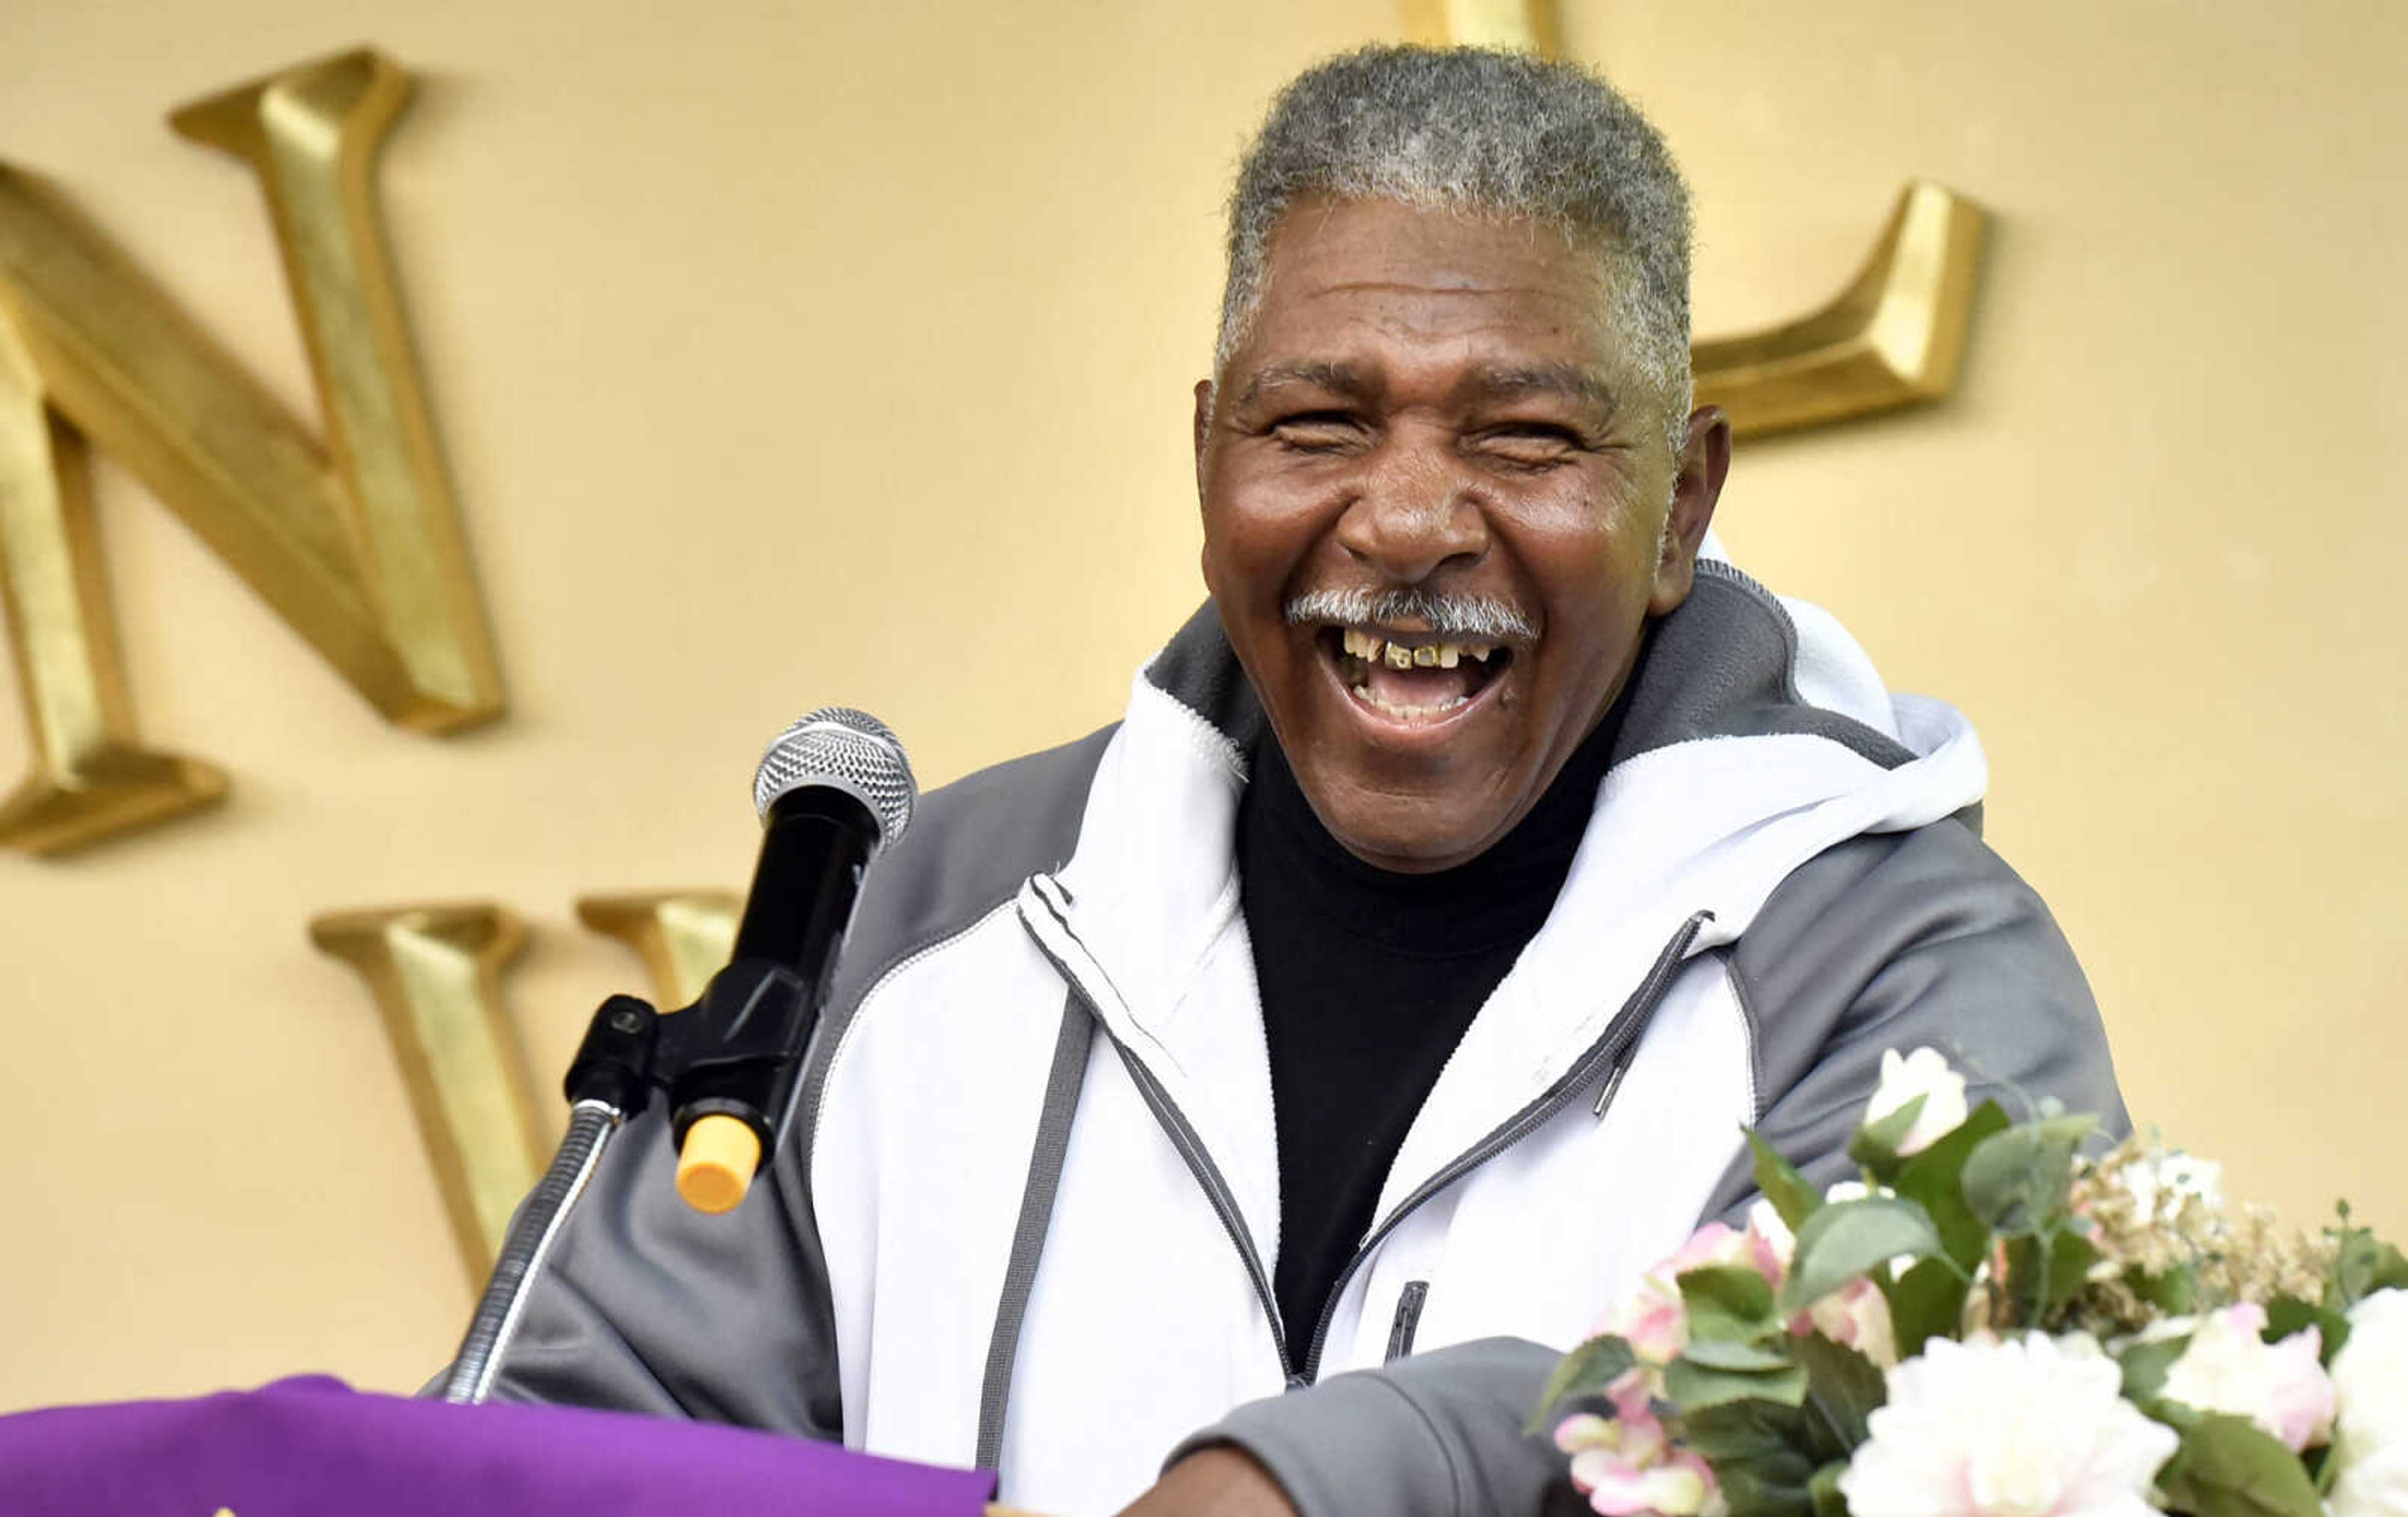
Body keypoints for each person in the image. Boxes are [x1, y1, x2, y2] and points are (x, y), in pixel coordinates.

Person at [488, 45, 2125, 1517]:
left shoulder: (1911, 969)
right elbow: (580, 1439)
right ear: (1211, 457)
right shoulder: (931, 908)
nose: (1410, 521)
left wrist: (1319, 1484)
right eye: (1321, 422)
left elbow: (1900, 1419)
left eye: (1530, 436)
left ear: (1683, 503)